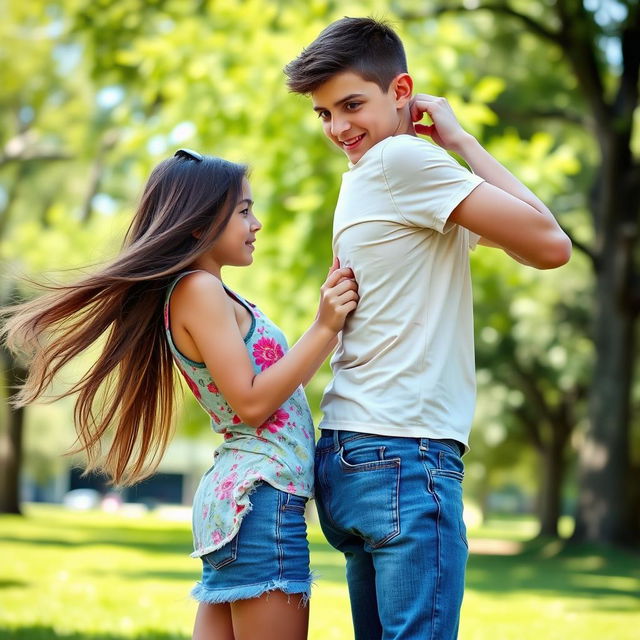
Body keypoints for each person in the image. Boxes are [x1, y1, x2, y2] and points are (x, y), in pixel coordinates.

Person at [284, 17, 571, 640]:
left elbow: (533, 244)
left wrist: (457, 148)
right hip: (406, 452)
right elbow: (553, 244)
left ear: (400, 90)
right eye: (324, 114)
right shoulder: (402, 161)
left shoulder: (369, 177)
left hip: (350, 451)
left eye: (351, 105)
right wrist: (461, 141)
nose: (338, 128)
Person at [1, 149, 359, 640]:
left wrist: (329, 330)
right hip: (259, 499)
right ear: (197, 224)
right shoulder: (199, 290)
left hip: (245, 500)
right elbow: (251, 404)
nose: (256, 223)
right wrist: (323, 326)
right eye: (243, 211)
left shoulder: (210, 291)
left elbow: (266, 390)